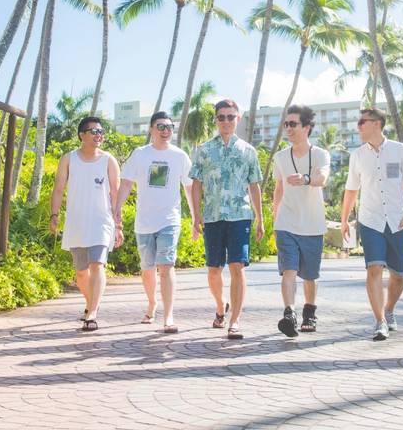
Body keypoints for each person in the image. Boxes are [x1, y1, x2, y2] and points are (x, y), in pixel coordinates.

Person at [340, 108, 403, 341]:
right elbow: (351, 190)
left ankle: (389, 310)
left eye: (362, 122)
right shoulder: (357, 155)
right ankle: (380, 321)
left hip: (397, 221)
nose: (358, 126)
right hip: (370, 221)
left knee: (398, 276)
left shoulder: (400, 150)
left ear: (377, 124)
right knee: (374, 269)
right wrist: (345, 220)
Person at [190, 99, 264, 340]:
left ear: (238, 119)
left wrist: (260, 218)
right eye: (221, 117)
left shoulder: (248, 151)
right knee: (213, 271)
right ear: (215, 120)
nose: (226, 121)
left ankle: (235, 321)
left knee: (236, 266)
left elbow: (254, 186)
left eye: (230, 117)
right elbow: (196, 184)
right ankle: (221, 307)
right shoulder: (203, 150)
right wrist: (196, 215)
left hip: (240, 216)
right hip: (212, 217)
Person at [115, 111, 193, 334]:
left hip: (169, 220)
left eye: (169, 127)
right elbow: (127, 183)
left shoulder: (180, 156)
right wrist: (117, 209)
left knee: (166, 266)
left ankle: (168, 315)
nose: (166, 131)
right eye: (161, 126)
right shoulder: (140, 154)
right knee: (147, 269)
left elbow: (188, 187)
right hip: (144, 222)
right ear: (151, 129)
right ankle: (152, 303)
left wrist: (196, 216)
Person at [49, 117, 122, 332]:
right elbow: (59, 188)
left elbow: (115, 194)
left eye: (101, 131)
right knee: (81, 273)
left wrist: (118, 225)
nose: (98, 135)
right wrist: (54, 215)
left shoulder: (108, 160)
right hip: (76, 223)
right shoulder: (69, 159)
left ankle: (92, 313)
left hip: (102, 222)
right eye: (93, 131)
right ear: (81, 135)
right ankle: (91, 302)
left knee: (97, 265)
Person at [272, 105, 331, 338]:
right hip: (286, 222)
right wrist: (275, 219)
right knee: (289, 270)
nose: (289, 128)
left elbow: (323, 178)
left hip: (312, 224)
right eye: (286, 124)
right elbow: (278, 189)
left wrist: (306, 178)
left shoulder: (320, 154)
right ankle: (289, 313)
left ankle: (309, 311)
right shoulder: (280, 157)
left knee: (309, 275)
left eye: (293, 124)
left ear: (306, 127)